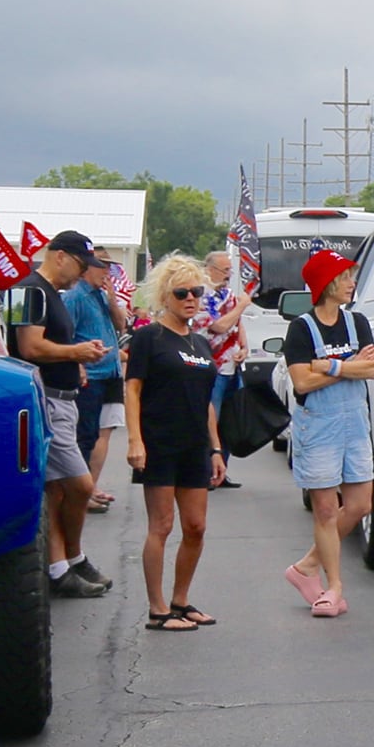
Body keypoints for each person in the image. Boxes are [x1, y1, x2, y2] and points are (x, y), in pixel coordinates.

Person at [7, 231, 113, 598]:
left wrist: (77, 358)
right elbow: (29, 346)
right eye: (82, 265)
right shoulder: (26, 291)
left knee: (54, 490)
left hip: (63, 397)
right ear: (61, 256)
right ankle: (73, 555)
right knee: (80, 485)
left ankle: (59, 567)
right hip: (47, 400)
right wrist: (76, 353)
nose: (83, 273)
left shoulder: (49, 293)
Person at [123, 254, 225, 632]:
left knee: (196, 526)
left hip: (195, 445)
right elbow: (132, 390)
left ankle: (181, 601)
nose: (190, 299)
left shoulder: (200, 343)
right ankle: (158, 608)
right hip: (159, 443)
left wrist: (215, 448)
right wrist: (135, 440)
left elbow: (206, 402)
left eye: (196, 292)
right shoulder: (150, 336)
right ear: (165, 295)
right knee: (162, 526)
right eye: (181, 292)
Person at [281, 248, 374, 618]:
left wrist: (330, 364)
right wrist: (346, 366)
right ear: (327, 284)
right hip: (318, 426)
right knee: (324, 509)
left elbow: (370, 370)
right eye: (346, 277)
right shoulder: (301, 328)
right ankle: (333, 587)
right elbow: (302, 381)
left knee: (360, 505)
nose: (352, 283)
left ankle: (306, 566)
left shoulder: (358, 322)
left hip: (355, 422)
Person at [67, 259, 124, 514]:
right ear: (88, 268)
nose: (108, 274)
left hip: (111, 372)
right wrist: (76, 363)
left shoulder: (100, 296)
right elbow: (64, 334)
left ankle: (91, 485)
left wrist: (112, 298)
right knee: (86, 434)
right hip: (91, 374)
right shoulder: (75, 297)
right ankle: (81, 491)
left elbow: (121, 324)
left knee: (106, 429)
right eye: (104, 268)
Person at [199, 251, 251, 489]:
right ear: (209, 269)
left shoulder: (228, 295)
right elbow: (219, 325)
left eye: (230, 270)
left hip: (232, 365)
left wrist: (244, 347)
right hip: (213, 365)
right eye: (224, 270)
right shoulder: (202, 295)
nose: (228, 275)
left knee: (229, 421)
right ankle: (206, 470)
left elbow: (237, 324)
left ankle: (223, 470)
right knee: (211, 419)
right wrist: (241, 306)